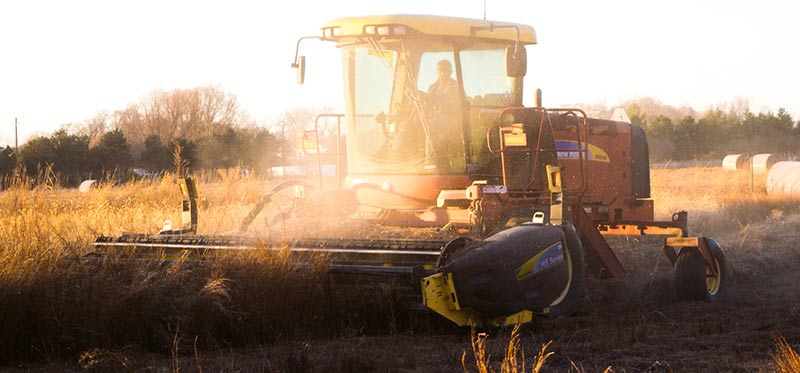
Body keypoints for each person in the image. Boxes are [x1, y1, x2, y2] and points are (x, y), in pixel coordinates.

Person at [425, 59, 462, 170]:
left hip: (452, 122)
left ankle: (434, 161)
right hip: (435, 120)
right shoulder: (432, 88)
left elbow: (456, 105)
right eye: (439, 70)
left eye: (444, 70)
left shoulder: (456, 87)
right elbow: (428, 105)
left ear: (450, 72)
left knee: (431, 128)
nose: (441, 73)